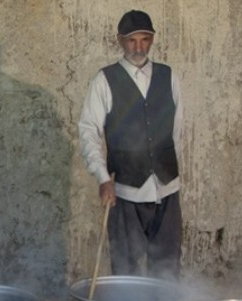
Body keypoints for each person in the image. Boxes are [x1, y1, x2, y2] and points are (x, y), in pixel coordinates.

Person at [78, 10, 184, 278]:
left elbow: (177, 130)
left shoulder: (168, 76)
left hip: (166, 187)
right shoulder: (105, 80)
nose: (138, 47)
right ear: (119, 41)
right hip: (126, 191)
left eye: (145, 39)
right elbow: (88, 130)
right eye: (131, 40)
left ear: (152, 40)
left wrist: (167, 167)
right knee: (126, 269)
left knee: (167, 265)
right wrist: (103, 177)